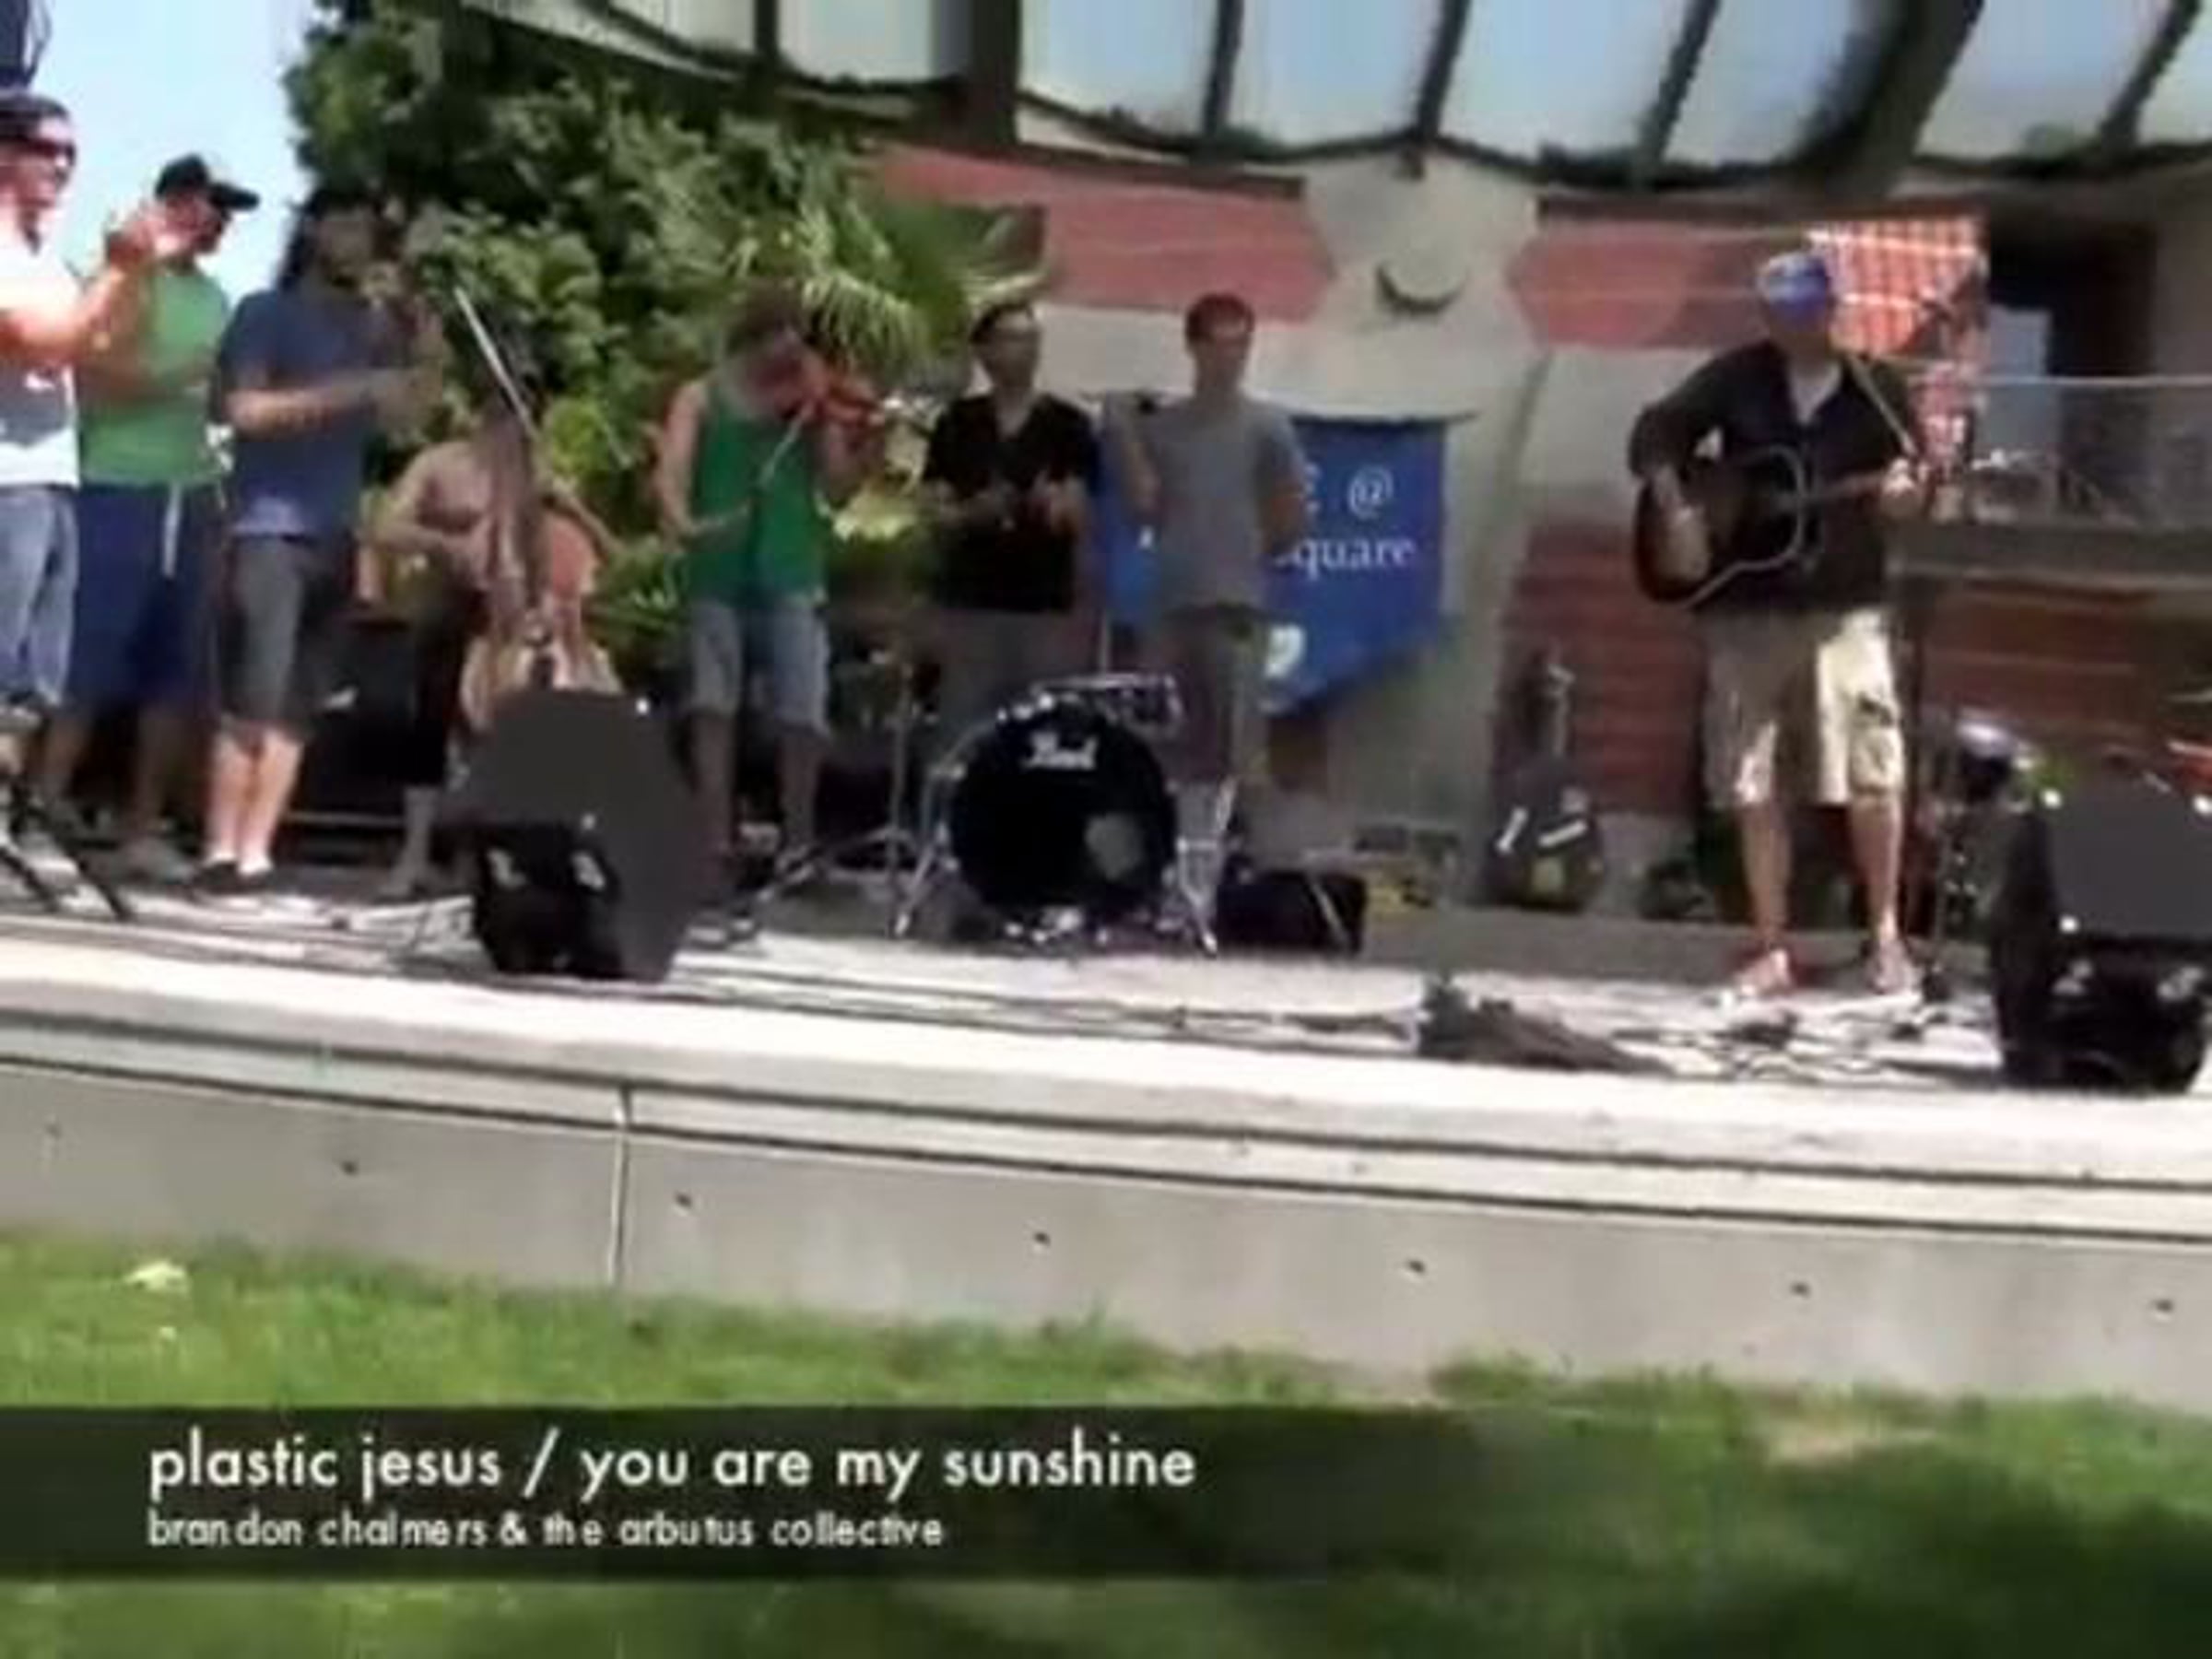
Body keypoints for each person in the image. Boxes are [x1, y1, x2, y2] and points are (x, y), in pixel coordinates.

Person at [1627, 249, 1929, 1000]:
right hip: (1746, 608)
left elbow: (1915, 477)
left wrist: (1906, 496)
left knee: (1873, 772)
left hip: (1845, 608)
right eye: (1782, 313)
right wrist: (1677, 507)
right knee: (1750, 779)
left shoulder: (1877, 388)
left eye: (1810, 310)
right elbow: (1656, 432)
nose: (1797, 325)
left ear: (1835, 308)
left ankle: (1886, 939)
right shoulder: (1738, 378)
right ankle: (1771, 947)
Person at [198, 183, 439, 896]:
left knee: (299, 706)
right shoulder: (265, 312)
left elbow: (408, 414)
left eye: (366, 231)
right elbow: (241, 410)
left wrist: (422, 327)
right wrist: (350, 390)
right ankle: (219, 851)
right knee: (253, 694)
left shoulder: (371, 323)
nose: (357, 243)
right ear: (312, 230)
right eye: (345, 227)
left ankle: (256, 855)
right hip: (267, 527)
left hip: (335, 532)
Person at [36, 155, 258, 884]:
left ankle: (142, 827)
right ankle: (42, 810)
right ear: (173, 203)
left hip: (191, 493)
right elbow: (95, 378)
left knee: (174, 671)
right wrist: (179, 378)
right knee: (86, 660)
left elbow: (219, 400)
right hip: (115, 486)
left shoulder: (218, 300)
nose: (221, 224)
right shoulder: (127, 277)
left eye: (228, 213)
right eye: (212, 206)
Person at [0, 92, 177, 858]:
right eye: (48, 149)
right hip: (7, 481)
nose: (64, 165)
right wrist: (117, 268)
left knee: (32, 682)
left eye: (72, 152)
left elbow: (96, 350)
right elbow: (43, 343)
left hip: (52, 476)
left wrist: (138, 275)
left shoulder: (42, 258)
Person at [653, 285, 863, 885]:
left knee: (803, 711)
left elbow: (837, 489)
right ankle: (714, 842)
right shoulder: (701, 396)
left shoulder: (812, 398)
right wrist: (685, 523)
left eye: (799, 338)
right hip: (718, 567)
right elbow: (671, 472)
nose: (792, 353)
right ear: (756, 337)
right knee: (713, 707)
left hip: (792, 563)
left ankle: (799, 841)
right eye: (781, 337)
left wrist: (853, 435)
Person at [369, 386, 612, 898]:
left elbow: (593, 549)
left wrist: (569, 510)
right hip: (450, 604)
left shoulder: (533, 475)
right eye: (506, 416)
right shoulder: (440, 464)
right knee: (430, 723)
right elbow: (385, 526)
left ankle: (487, 858)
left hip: (513, 617)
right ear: (486, 414)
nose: (514, 431)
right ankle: (415, 854)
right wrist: (443, 543)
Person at [1106, 290, 1309, 904]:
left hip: (1236, 604)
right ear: (1194, 348)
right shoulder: (1166, 429)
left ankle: (1238, 880)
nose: (1230, 359)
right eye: (1219, 346)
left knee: (1237, 748)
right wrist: (1124, 434)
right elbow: (1144, 505)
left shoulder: (1267, 427)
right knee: (1172, 744)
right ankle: (1171, 876)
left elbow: (1291, 518)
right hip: (1173, 604)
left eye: (1241, 346)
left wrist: (1243, 552)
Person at [921, 298, 1100, 743]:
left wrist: (1049, 504)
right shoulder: (958, 423)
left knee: (1041, 734)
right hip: (972, 602)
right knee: (965, 731)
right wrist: (974, 512)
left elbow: (1079, 511)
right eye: (1012, 338)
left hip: (1043, 605)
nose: (1025, 349)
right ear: (984, 351)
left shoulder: (1068, 425)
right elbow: (933, 510)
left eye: (1031, 339)